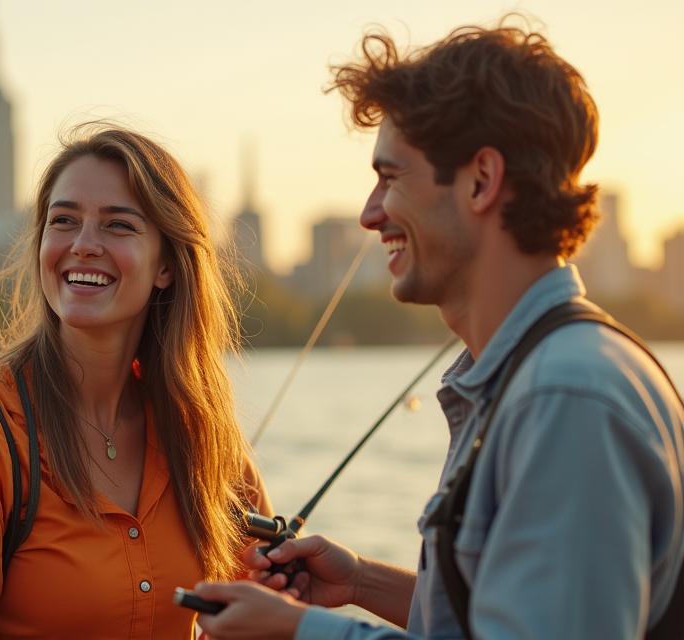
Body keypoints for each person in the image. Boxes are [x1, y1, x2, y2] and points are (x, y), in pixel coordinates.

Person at [192, 19, 684, 640]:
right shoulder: (534, 376)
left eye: (391, 177)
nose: (371, 214)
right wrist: (364, 584)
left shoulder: (565, 396)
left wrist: (300, 633)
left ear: (481, 180)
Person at [0, 125, 273, 639]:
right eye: (64, 221)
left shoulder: (203, 435)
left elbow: (265, 621)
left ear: (166, 265)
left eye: (118, 226)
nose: (83, 245)